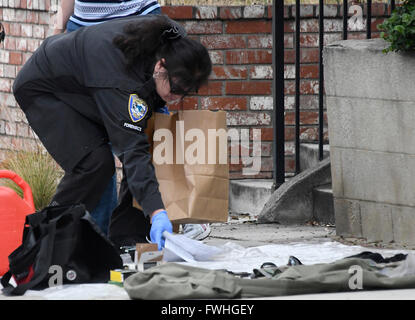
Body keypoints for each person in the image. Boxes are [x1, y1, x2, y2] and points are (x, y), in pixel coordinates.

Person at [13, 14, 212, 250]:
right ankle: (42, 240)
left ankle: (127, 237)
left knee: (159, 142)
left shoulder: (173, 41)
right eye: (176, 89)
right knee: (94, 163)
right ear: (160, 66)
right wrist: (157, 212)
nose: (177, 99)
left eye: (186, 92)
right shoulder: (120, 82)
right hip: (46, 88)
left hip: (87, 82)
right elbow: (132, 151)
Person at [50, 0, 162, 237]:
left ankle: (147, 227)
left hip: (138, 26)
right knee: (95, 145)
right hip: (84, 32)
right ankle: (99, 236)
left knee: (153, 135)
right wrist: (59, 29)